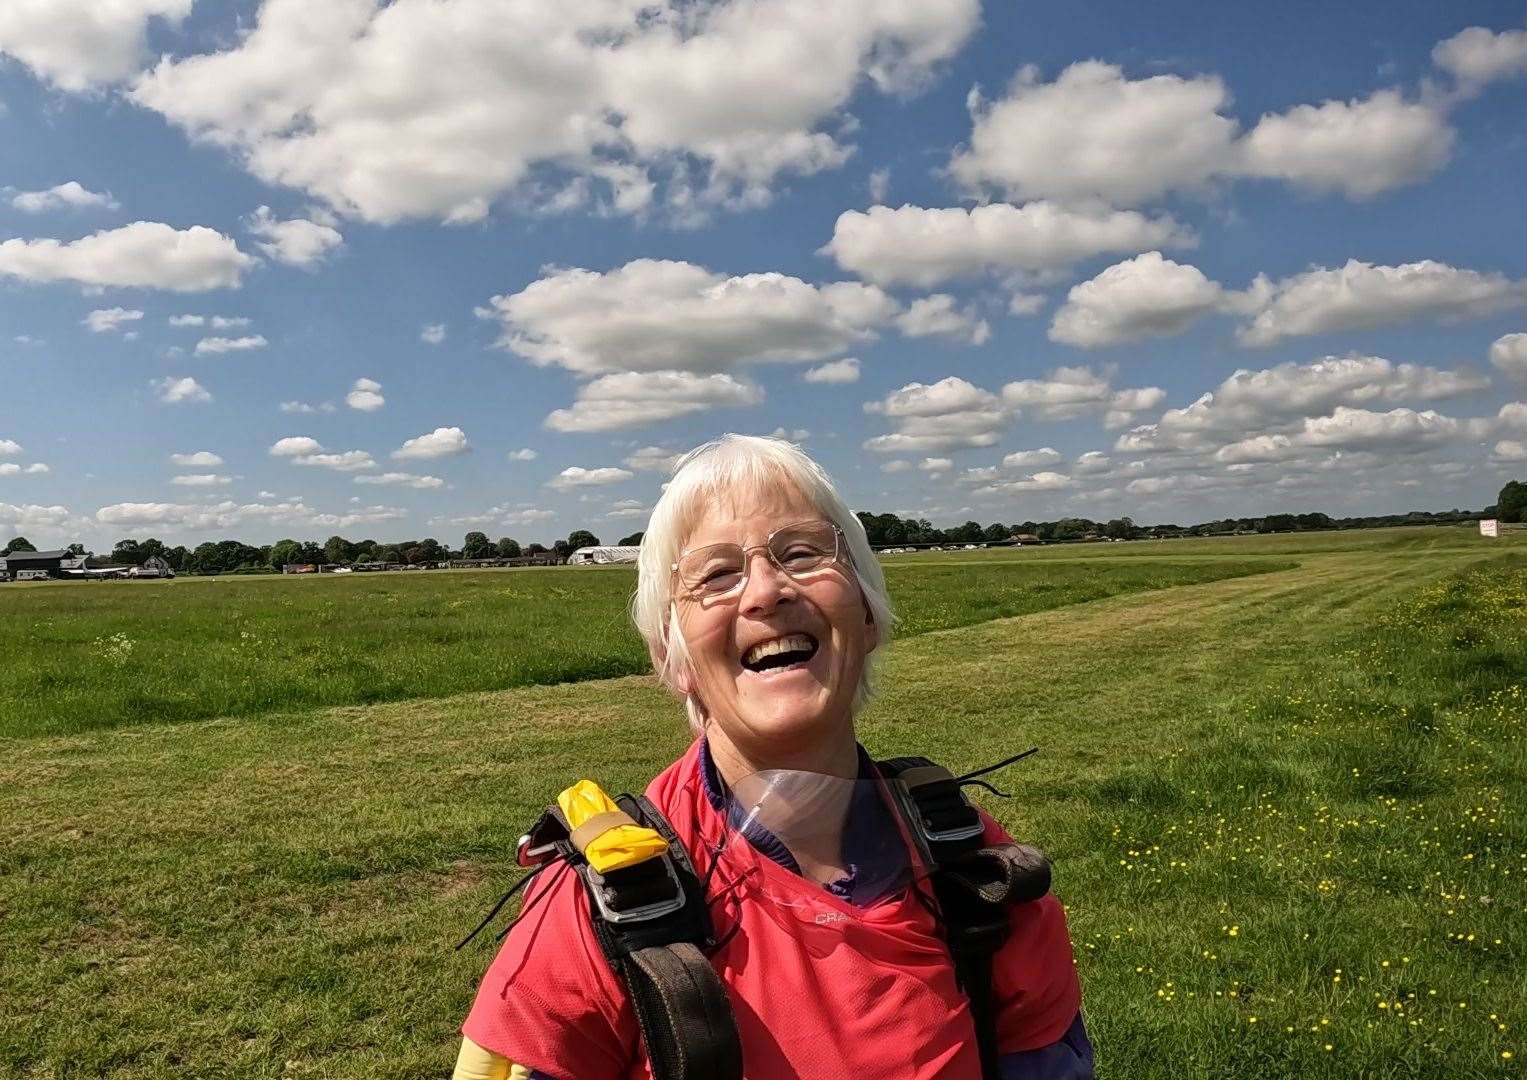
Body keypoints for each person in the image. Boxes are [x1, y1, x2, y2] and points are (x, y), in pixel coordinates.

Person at [454, 434, 1092, 1079]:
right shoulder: (595, 907)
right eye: (717, 574)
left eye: (803, 553)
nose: (766, 592)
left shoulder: (980, 874)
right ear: (670, 658)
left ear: (868, 616)